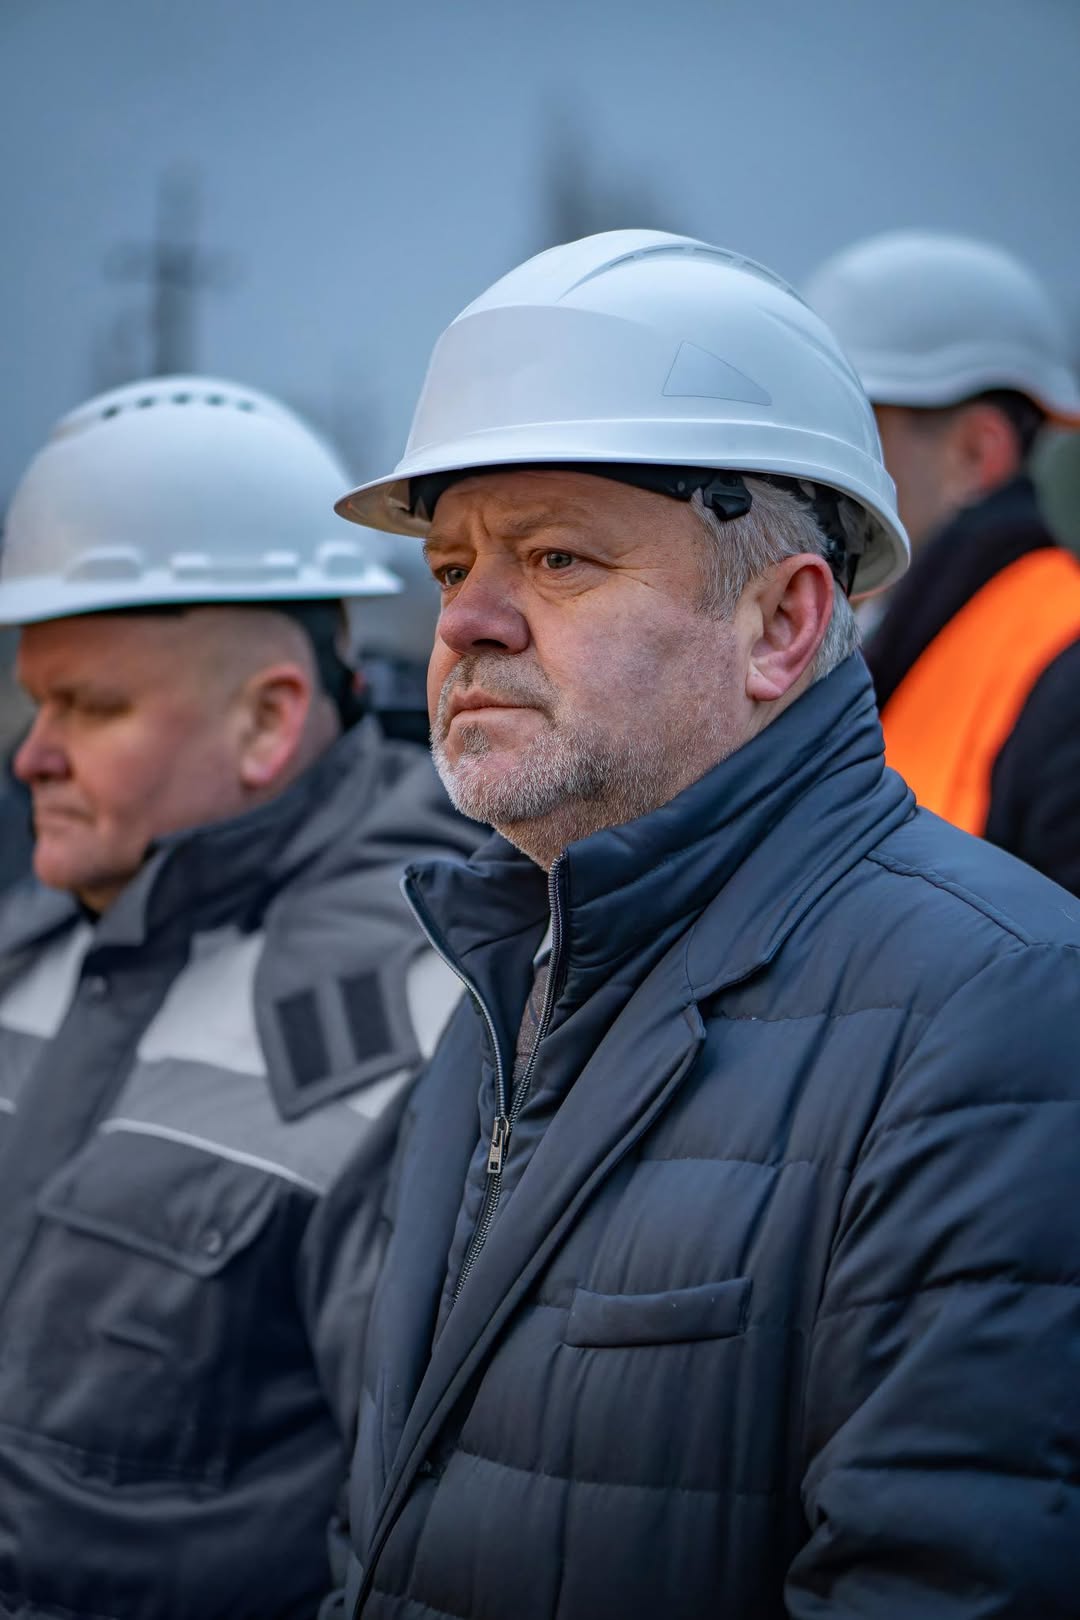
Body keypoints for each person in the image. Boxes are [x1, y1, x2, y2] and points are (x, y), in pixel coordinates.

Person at [327, 231, 1080, 1619]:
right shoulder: (507, 975)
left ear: (782, 625)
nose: (468, 622)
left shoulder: (1007, 1012)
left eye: (556, 557)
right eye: (448, 568)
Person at [0, 376, 478, 1620]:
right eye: (36, 700)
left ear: (269, 721)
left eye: (90, 707)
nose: (31, 754)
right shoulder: (33, 938)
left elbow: (415, 1526)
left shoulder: (416, 1008)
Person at [806, 230, 1080, 892]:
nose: (813, 468)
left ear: (977, 454)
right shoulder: (881, 640)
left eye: (853, 432)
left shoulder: (1065, 669)